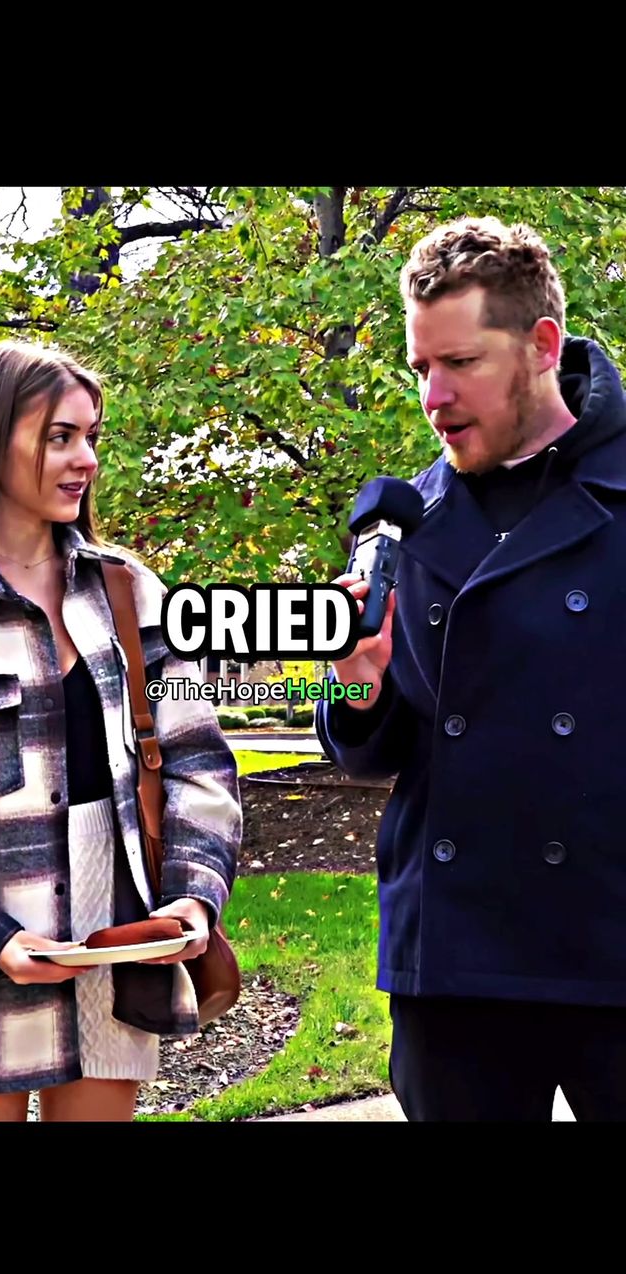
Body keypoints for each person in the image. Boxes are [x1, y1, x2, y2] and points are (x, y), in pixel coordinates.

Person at [317, 215, 626, 1122]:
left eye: (461, 363)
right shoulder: (404, 520)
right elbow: (371, 753)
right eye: (420, 368)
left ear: (540, 345)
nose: (433, 395)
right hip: (458, 950)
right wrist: (356, 679)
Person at [0, 341, 241, 1122]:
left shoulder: (133, 594)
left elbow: (197, 764)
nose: (84, 458)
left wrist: (191, 901)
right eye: (59, 436)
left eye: (92, 436)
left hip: (115, 942)